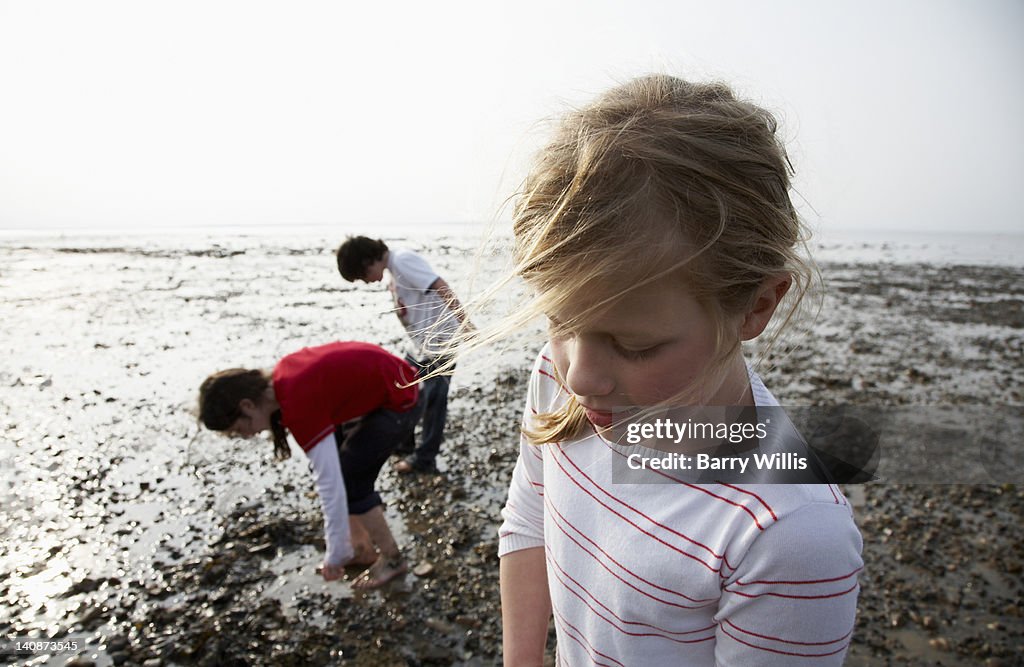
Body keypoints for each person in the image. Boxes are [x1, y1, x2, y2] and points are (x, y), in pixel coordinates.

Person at [493, 75, 864, 664]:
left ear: (757, 305)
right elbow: (529, 521)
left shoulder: (787, 532)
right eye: (559, 321)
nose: (581, 373)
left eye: (636, 345)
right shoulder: (559, 381)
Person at [197, 341, 418, 588]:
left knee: (351, 482)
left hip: (399, 398)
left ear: (247, 405)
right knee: (338, 470)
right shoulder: (281, 383)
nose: (248, 436)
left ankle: (392, 559)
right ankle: (359, 546)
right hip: (376, 389)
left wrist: (334, 554)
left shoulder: (296, 400)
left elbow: (330, 485)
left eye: (240, 430)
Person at [336, 236, 469, 474]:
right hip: (420, 346)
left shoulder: (403, 260)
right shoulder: (394, 271)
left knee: (434, 402)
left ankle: (424, 459)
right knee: (402, 391)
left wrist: (466, 324)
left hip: (440, 342)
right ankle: (404, 445)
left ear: (368, 261)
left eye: (360, 276)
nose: (365, 283)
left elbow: (440, 285)